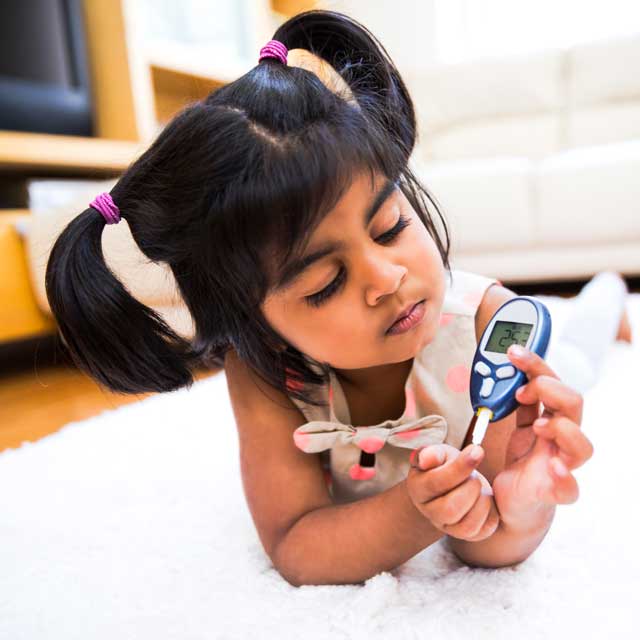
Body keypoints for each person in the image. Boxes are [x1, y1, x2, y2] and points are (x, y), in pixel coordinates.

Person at [44, 10, 630, 587]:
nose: (387, 278)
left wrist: (520, 506)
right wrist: (414, 510)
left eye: (391, 226)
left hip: (523, 336)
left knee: (581, 349)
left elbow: (489, 544)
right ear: (255, 321)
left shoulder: (489, 327)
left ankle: (605, 297)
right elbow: (296, 543)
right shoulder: (266, 371)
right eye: (325, 283)